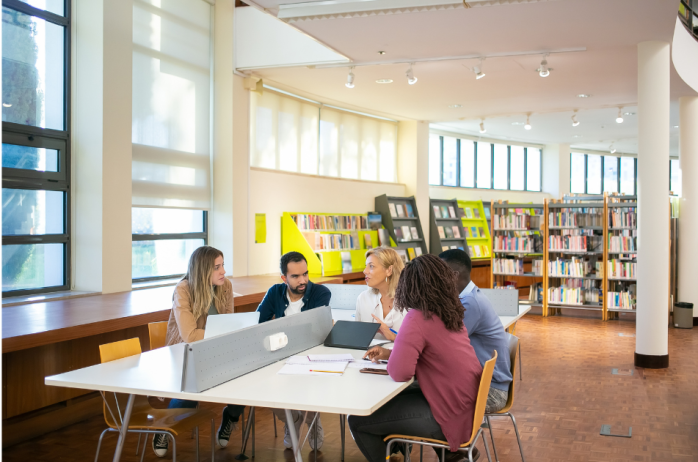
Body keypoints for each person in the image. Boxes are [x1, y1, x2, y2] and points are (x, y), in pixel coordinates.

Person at [349, 254, 483, 462]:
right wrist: (391, 352)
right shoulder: (449, 311)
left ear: (409, 287)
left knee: (358, 421)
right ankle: (438, 453)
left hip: (445, 414)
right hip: (465, 407)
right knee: (392, 402)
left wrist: (396, 355)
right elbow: (431, 356)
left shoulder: (417, 317)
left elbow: (400, 373)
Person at [157, 246, 245, 457]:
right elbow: (189, 335)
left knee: (247, 377)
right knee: (193, 386)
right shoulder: (183, 289)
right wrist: (222, 333)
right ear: (203, 270)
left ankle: (230, 417)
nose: (223, 271)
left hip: (217, 349)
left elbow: (229, 323)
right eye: (217, 267)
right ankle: (164, 428)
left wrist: (227, 333)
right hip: (187, 353)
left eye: (223, 265)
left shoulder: (226, 286)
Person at [256, 251, 331, 450]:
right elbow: (258, 323)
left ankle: (313, 419)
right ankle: (293, 419)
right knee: (263, 388)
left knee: (308, 385)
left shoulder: (321, 293)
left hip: (311, 355)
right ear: (284, 278)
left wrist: (279, 327)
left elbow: (314, 330)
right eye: (296, 276)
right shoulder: (274, 292)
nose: (303, 280)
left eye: (305, 274)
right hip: (279, 355)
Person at [439, 249, 513, 414]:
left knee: (423, 399)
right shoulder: (467, 297)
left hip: (491, 392)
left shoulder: (470, 303)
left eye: (439, 273)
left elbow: (444, 344)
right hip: (481, 383)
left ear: (454, 275)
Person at [356, 246, 405, 341]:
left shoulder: (410, 302)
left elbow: (420, 343)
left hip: (401, 355)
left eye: (371, 266)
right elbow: (358, 336)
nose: (365, 271)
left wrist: (393, 337)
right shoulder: (363, 298)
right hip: (370, 355)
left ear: (389, 270)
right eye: (366, 266)